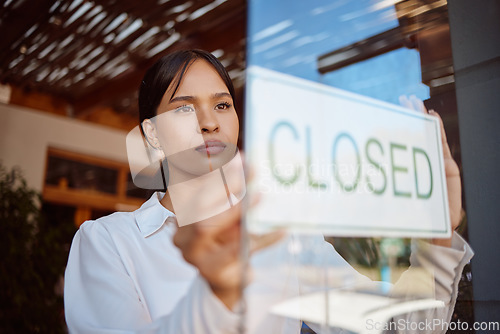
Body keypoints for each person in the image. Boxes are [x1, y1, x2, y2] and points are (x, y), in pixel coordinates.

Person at [64, 49, 473, 334]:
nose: (208, 122)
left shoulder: (284, 238)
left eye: (222, 105)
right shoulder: (108, 243)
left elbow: (397, 328)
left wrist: (437, 236)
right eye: (184, 107)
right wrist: (218, 294)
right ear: (151, 132)